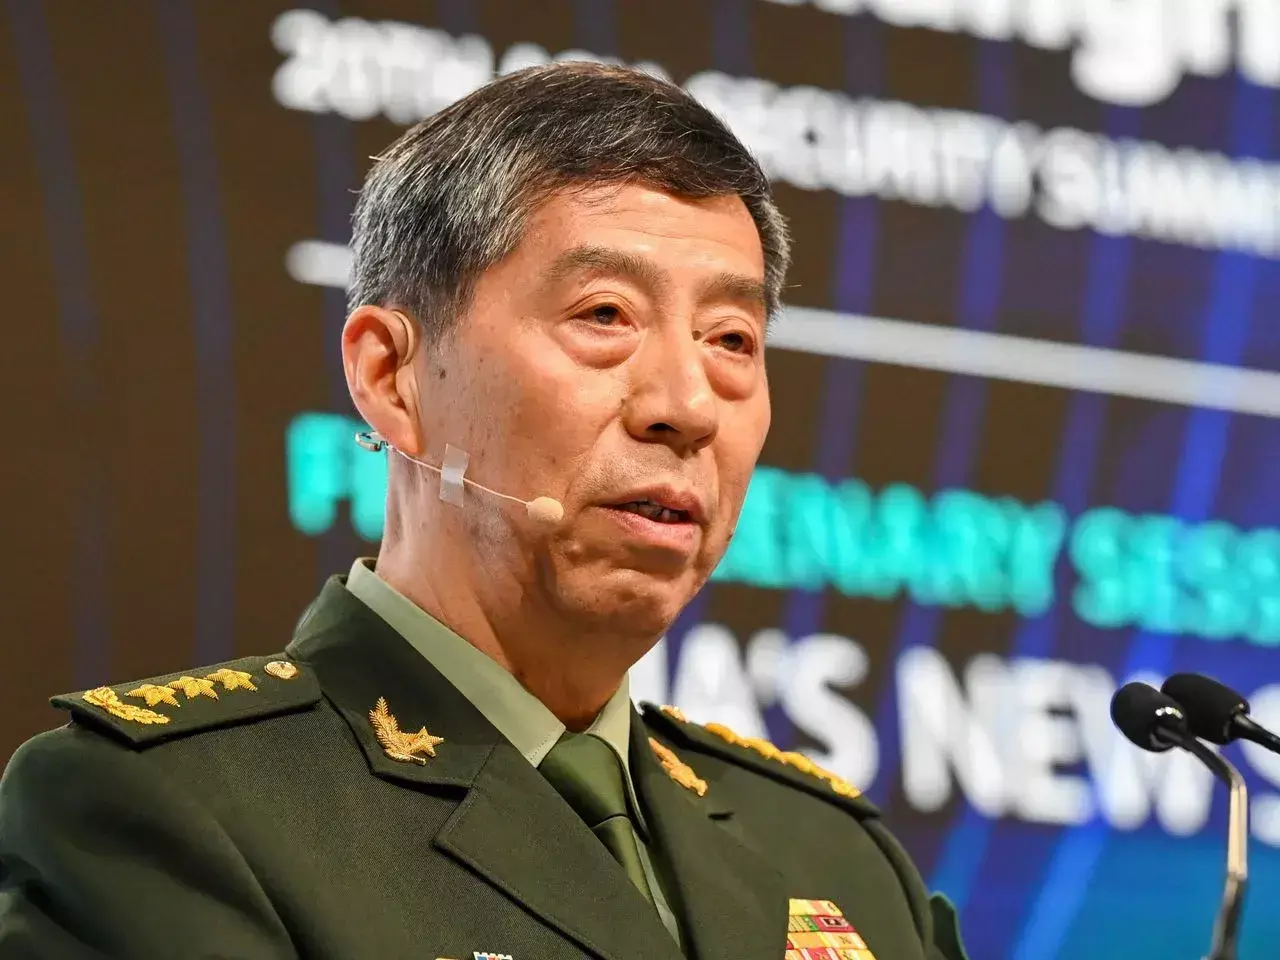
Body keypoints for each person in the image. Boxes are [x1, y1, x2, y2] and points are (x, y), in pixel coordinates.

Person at [0, 62, 967, 960]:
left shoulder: (841, 861)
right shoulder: (168, 812)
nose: (686, 405)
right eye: (605, 316)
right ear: (391, 374)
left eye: (731, 339)